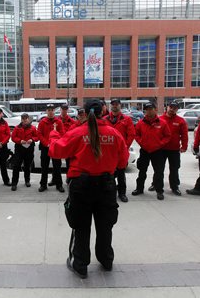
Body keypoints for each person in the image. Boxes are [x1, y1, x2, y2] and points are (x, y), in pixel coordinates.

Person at [49, 99, 128, 279]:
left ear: (84, 112)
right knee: (105, 226)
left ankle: (80, 265)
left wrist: (54, 135)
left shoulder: (77, 133)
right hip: (106, 186)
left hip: (81, 187)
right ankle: (106, 260)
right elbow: (122, 162)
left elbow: (56, 151)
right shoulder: (114, 134)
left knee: (81, 227)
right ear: (103, 111)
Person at [131, 102, 171, 200]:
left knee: (158, 172)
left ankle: (159, 191)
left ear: (155, 109)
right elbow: (136, 134)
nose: (149, 111)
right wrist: (141, 142)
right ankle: (139, 189)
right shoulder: (141, 123)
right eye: (147, 109)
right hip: (144, 150)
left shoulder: (162, 123)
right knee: (142, 171)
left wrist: (160, 144)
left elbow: (167, 136)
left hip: (157, 151)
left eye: (151, 109)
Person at [149, 101, 188, 196]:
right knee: (159, 169)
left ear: (177, 109)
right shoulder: (159, 119)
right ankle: (155, 184)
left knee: (174, 169)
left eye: (175, 108)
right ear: (167, 107)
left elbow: (184, 135)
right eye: (171, 107)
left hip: (174, 149)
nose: (172, 109)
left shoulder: (180, 121)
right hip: (161, 149)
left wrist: (184, 146)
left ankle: (174, 187)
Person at [104, 99, 135, 203]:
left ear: (120, 106)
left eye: (117, 105)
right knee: (109, 174)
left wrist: (125, 147)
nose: (115, 106)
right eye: (113, 105)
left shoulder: (127, 119)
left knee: (121, 174)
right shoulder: (105, 119)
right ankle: (110, 193)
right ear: (110, 106)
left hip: (121, 152)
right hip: (108, 152)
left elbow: (131, 134)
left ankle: (122, 193)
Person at [38, 104, 64, 192]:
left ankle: (59, 184)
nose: (50, 112)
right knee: (44, 167)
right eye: (48, 110)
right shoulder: (42, 122)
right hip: (45, 147)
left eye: (52, 110)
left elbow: (62, 133)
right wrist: (46, 143)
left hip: (55, 147)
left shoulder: (58, 122)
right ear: (46, 111)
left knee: (57, 167)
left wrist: (55, 142)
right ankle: (43, 185)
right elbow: (39, 134)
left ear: (54, 111)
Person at [10, 113, 39, 190]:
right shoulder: (17, 128)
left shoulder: (33, 128)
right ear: (21, 119)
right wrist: (20, 141)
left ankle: (27, 181)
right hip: (19, 148)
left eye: (26, 119)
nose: (25, 120)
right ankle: (14, 183)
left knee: (27, 165)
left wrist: (32, 139)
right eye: (23, 119)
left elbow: (37, 136)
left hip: (29, 148)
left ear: (28, 119)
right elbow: (13, 137)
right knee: (16, 166)